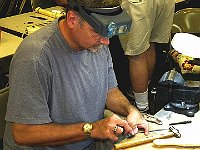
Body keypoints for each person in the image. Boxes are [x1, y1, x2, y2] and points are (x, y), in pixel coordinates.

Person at [3, 0, 149, 149]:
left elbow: (109, 90)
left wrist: (131, 110)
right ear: (72, 19)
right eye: (97, 32)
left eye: (108, 33)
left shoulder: (97, 43)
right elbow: (22, 133)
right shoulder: (35, 57)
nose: (106, 42)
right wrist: (91, 129)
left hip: (86, 143)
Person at [119, 0, 175, 112]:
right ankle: (144, 91)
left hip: (139, 3)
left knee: (136, 55)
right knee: (149, 45)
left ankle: (141, 106)